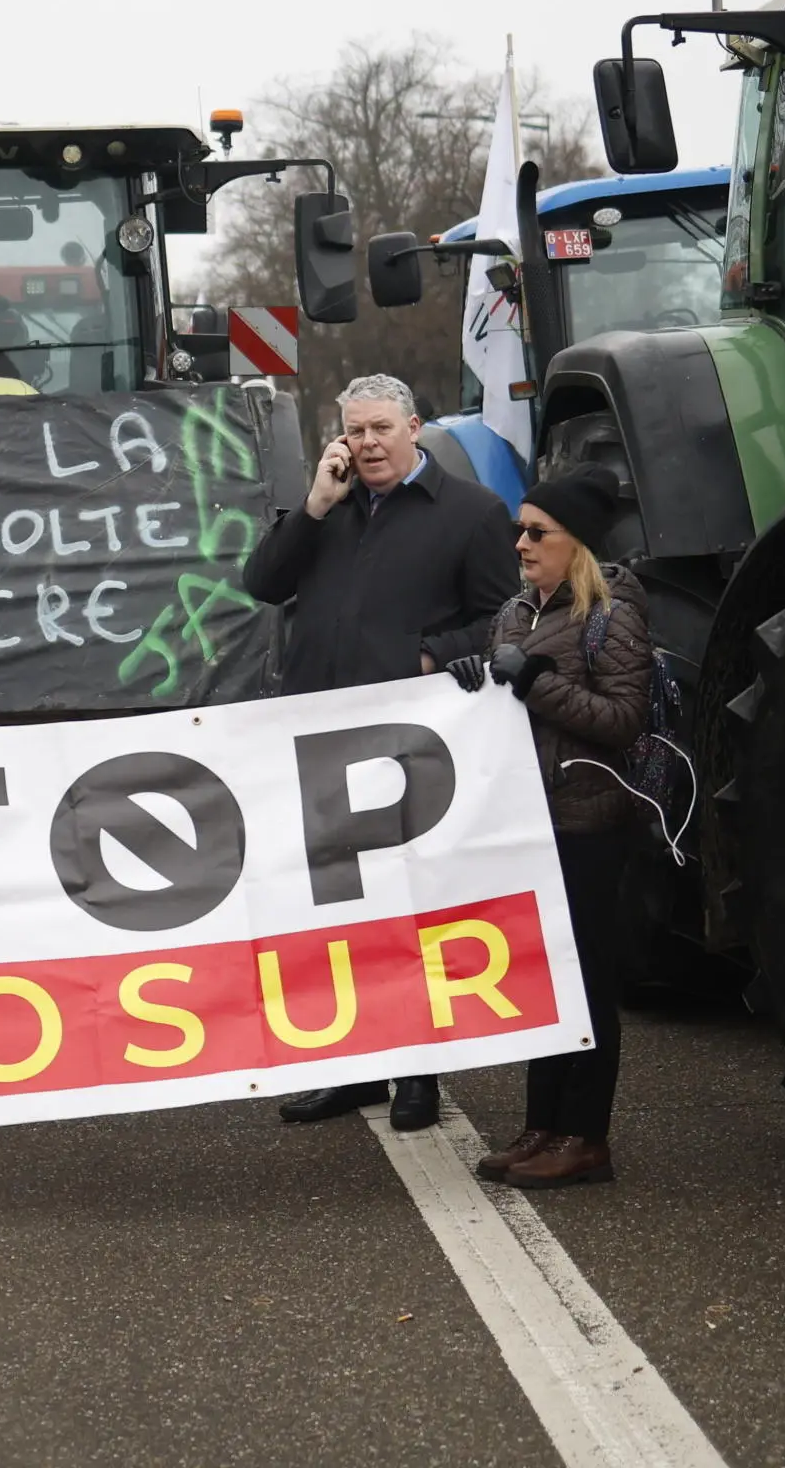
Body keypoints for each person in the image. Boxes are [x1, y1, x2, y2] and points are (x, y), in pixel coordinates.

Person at [243, 372, 521, 1134]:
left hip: (406, 746)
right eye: (355, 431)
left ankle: (417, 1075)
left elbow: (504, 618)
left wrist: (433, 654)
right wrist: (313, 507)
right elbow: (262, 584)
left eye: (381, 430)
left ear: (415, 428)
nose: (367, 444)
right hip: (315, 739)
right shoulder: (326, 510)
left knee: (408, 911)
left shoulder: (471, 514)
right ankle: (350, 1068)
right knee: (334, 911)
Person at [443, 464, 652, 1189]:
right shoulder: (515, 613)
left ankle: (585, 1135)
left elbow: (624, 722)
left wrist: (533, 680)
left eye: (538, 533)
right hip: (533, 826)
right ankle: (544, 1123)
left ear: (577, 544)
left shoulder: (611, 614)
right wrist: (479, 676)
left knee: (588, 981)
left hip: (590, 824)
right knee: (547, 980)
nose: (522, 544)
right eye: (518, 532)